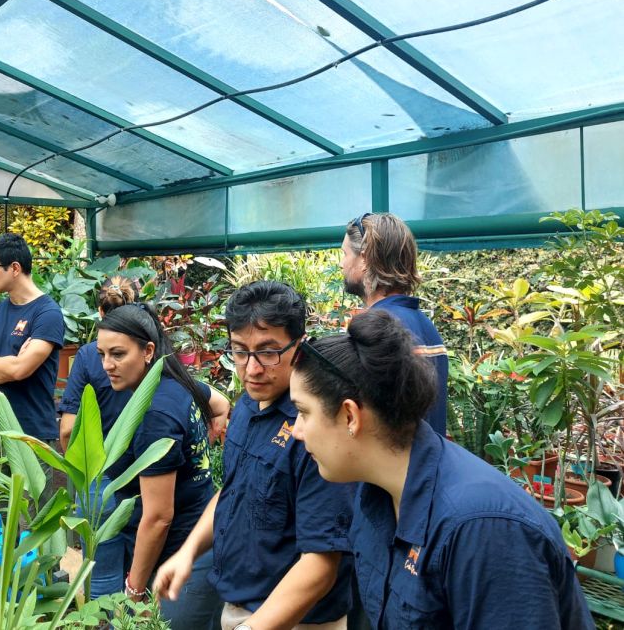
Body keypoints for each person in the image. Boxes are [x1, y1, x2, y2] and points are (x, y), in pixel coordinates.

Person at [289, 310, 594, 630]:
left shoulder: (483, 530)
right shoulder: (374, 495)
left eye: (303, 412)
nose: (297, 430)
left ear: (350, 416)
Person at [155, 281, 354, 630]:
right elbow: (234, 490)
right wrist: (188, 552)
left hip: (297, 619)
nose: (252, 368)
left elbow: (322, 563)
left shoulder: (316, 426)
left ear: (300, 347)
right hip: (240, 606)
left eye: (268, 351)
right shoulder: (248, 404)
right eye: (240, 351)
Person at [97, 303, 229, 628]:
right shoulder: (177, 384)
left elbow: (158, 518)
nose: (107, 365)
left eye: (117, 354)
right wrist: (200, 448)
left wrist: (134, 589)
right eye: (102, 354)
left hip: (177, 554)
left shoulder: (155, 415)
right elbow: (221, 403)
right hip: (201, 538)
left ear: (148, 351)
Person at [57, 275, 137, 598]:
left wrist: (79, 469)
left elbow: (67, 429)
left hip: (99, 475)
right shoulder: (148, 353)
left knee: (102, 577)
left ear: (99, 314)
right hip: (145, 467)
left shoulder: (90, 356)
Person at [340, 212, 448, 436]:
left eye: (344, 253)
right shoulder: (427, 327)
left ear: (365, 259)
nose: (341, 264)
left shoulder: (376, 328)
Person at [0, 233, 64, 443]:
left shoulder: (48, 313)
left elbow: (19, 369)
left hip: (31, 435)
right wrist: (13, 369)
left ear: (15, 268)